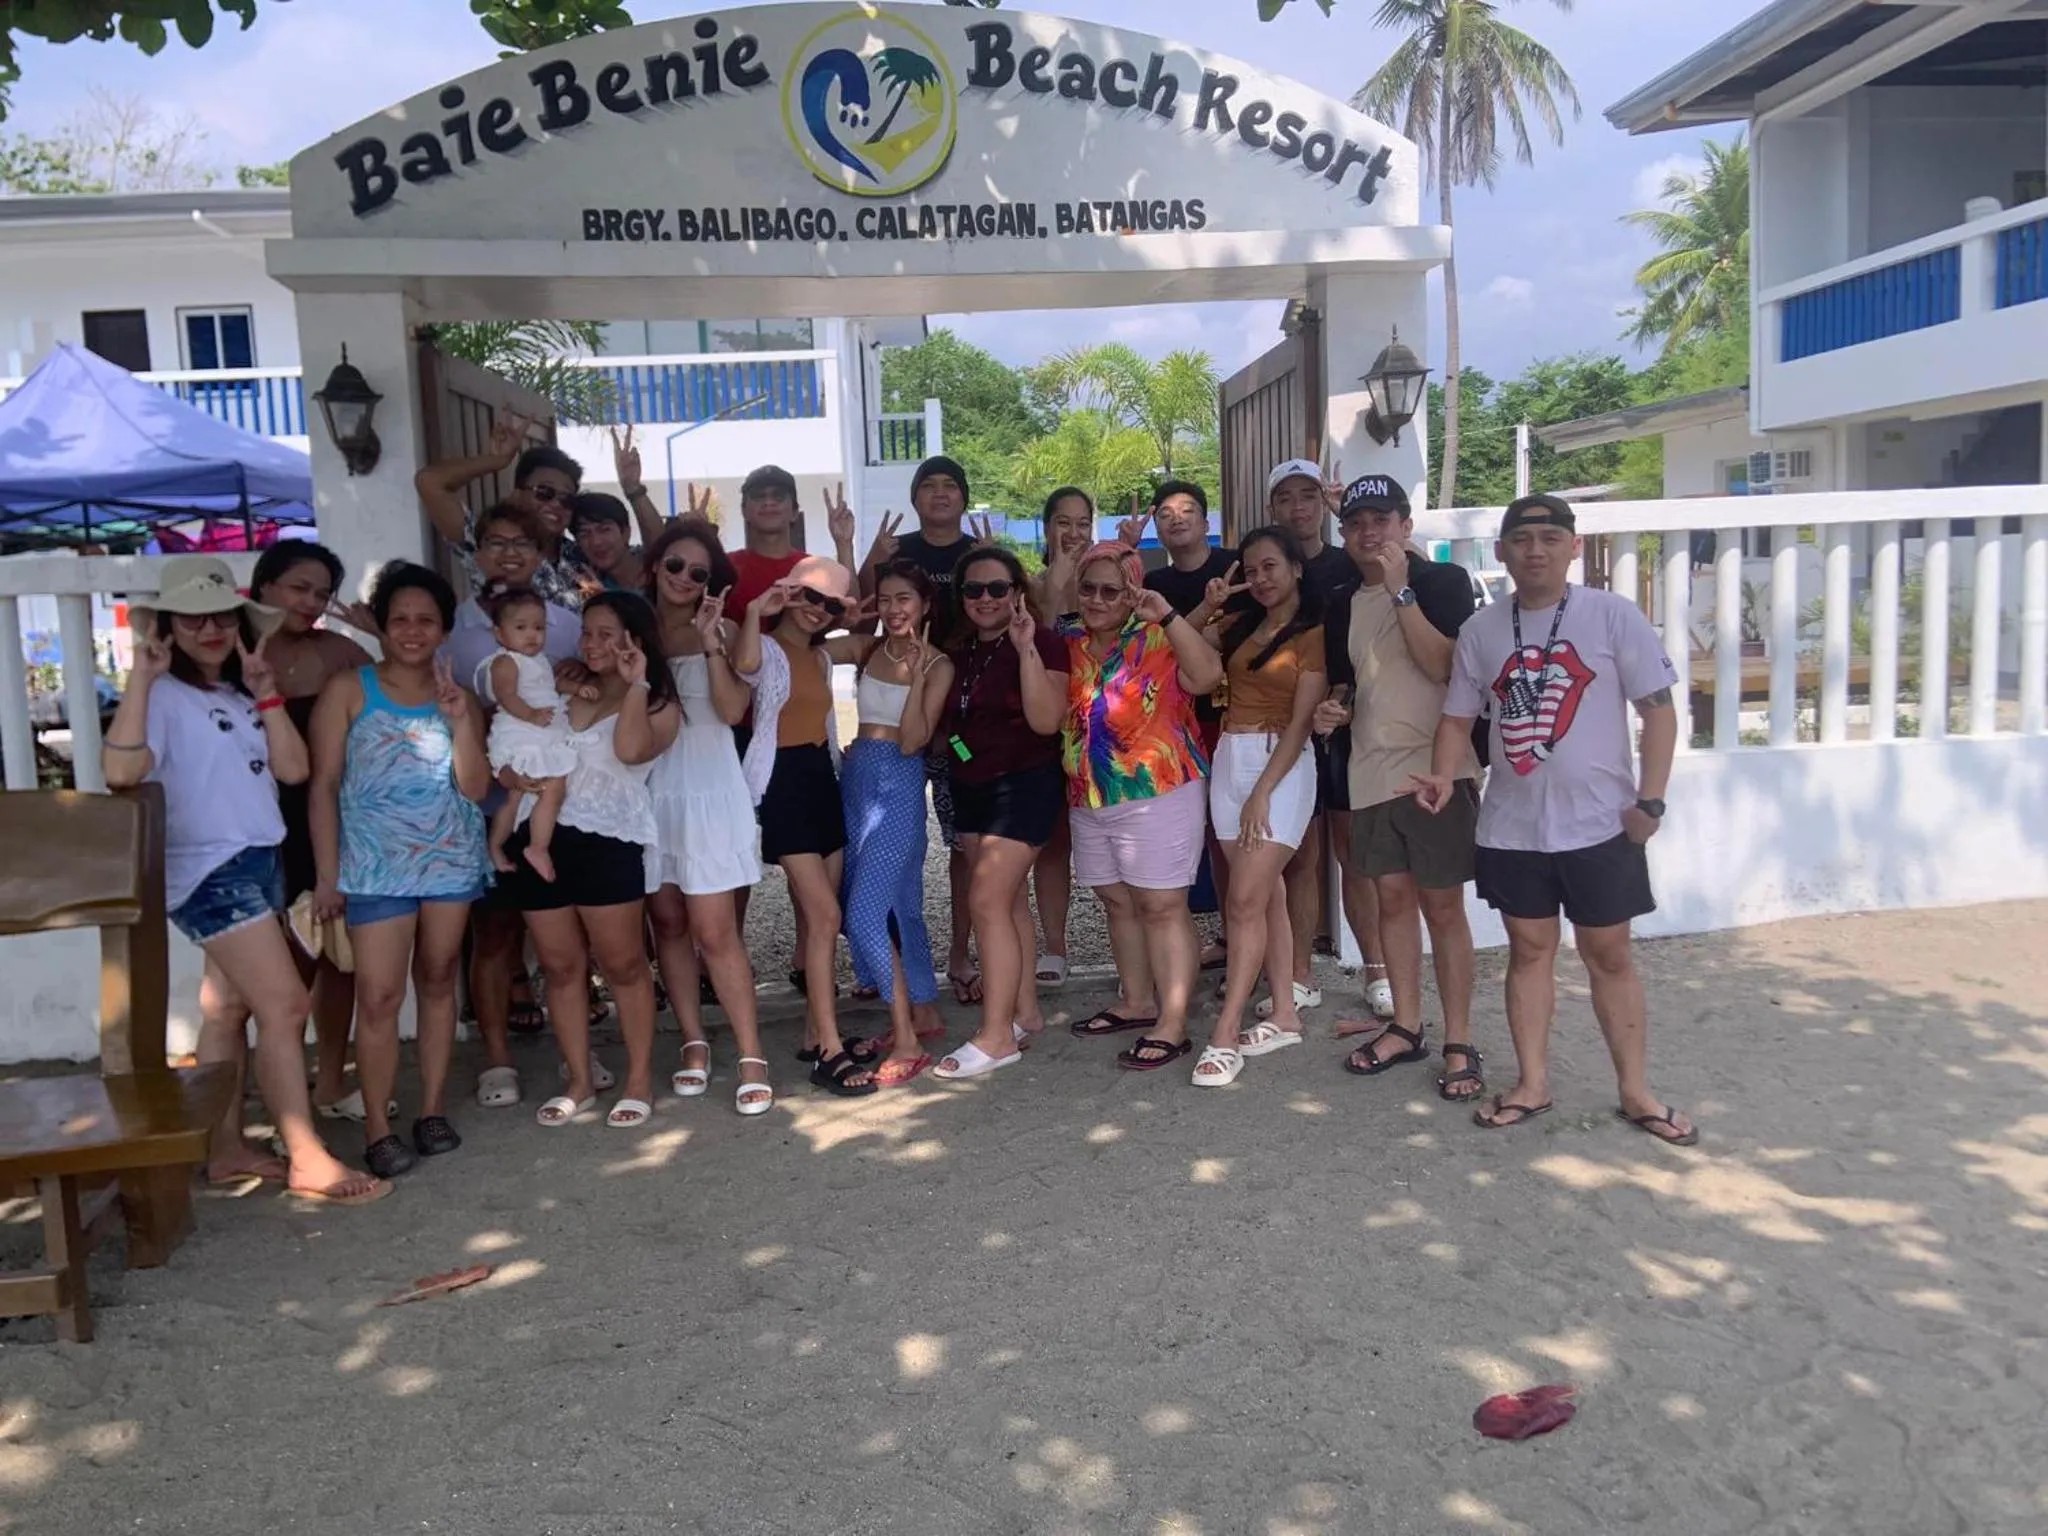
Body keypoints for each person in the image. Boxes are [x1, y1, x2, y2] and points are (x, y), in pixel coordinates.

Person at [100, 556, 387, 1205]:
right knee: (285, 1005)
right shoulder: (162, 696)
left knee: (227, 1010)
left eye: (220, 618)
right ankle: (307, 1155)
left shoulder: (235, 693)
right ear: (167, 627)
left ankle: (225, 1148)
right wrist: (141, 680)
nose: (209, 629)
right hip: (208, 870)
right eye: (193, 618)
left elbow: (292, 769)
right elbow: (120, 772)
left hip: (260, 861)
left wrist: (264, 693)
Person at [1411, 493, 1695, 1144]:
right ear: (1504, 550)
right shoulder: (1483, 630)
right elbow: (1458, 716)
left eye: (1549, 537)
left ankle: (1636, 1091)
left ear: (1572, 546)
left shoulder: (1612, 616)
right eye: (1521, 538)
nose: (1534, 549)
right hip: (1513, 828)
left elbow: (1659, 711)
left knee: (1609, 955)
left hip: (1601, 824)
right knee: (1529, 951)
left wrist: (1650, 801)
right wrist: (1442, 773)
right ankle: (1532, 1082)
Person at [308, 563, 492, 1179]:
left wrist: (460, 720)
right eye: (400, 620)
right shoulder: (348, 689)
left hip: (448, 861)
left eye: (426, 620)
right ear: (381, 627)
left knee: (439, 980)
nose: (412, 631)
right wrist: (328, 875)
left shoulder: (458, 698)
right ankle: (379, 1128)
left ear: (443, 629)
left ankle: (432, 1109)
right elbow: (324, 785)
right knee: (380, 996)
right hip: (373, 867)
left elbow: (474, 788)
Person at [1313, 474, 1485, 1096]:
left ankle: (1460, 1039)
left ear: (1406, 526)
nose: (1369, 532)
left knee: (1442, 905)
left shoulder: (1442, 582)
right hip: (1370, 770)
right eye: (1357, 523)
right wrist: (1333, 708)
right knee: (1390, 902)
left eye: (1382, 520)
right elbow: (1345, 680)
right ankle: (1408, 1027)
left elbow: (1443, 666)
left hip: (1437, 767)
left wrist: (1400, 592)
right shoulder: (1340, 601)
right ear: (1345, 532)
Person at [495, 593, 681, 1129]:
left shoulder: (658, 705)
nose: (592, 644)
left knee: (623, 966)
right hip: (539, 835)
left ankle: (639, 1079)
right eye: (587, 633)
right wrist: (508, 773)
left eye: (607, 634)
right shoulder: (558, 682)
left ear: (635, 641)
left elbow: (627, 751)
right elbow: (515, 736)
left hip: (610, 839)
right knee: (559, 966)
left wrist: (637, 680)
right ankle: (578, 1079)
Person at [438, 503, 585, 1106]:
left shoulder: (567, 621)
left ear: (543, 549)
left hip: (558, 792)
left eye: (522, 541)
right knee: (495, 934)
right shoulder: (454, 629)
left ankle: (574, 1058)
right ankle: (496, 1056)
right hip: (490, 792)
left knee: (564, 936)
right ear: (476, 551)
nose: (509, 552)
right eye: (494, 542)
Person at [1058, 542, 1222, 1072]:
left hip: (1159, 789)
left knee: (1162, 905)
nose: (1099, 599)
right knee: (1117, 901)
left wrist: (1169, 616)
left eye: (1113, 590)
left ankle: (1172, 1022)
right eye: (1090, 588)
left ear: (1132, 593)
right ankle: (1137, 1000)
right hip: (1091, 794)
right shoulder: (1070, 643)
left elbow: (1206, 679)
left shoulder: (1159, 637)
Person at [641, 517, 775, 1115]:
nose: (685, 578)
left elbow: (729, 709)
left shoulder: (718, 629)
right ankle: (693, 1041)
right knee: (666, 925)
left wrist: (711, 643)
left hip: (709, 789)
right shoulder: (632, 630)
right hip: (647, 791)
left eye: (699, 572)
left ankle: (750, 1053)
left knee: (716, 931)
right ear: (655, 566)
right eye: (675, 565)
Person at [732, 557, 877, 1097]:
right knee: (825, 913)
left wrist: (856, 608)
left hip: (820, 776)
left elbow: (868, 643)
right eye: (809, 597)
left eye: (829, 605)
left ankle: (818, 1031)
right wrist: (755, 610)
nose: (818, 611)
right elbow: (744, 664)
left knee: (820, 921)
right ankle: (830, 1050)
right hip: (782, 783)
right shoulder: (765, 647)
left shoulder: (819, 655)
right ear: (788, 592)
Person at [858, 454, 995, 1004]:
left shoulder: (976, 556)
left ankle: (961, 956)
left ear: (963, 497)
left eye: (950, 486)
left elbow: (1015, 609)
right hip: (899, 736)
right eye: (928, 486)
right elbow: (858, 620)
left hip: (961, 727)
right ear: (915, 498)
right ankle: (884, 959)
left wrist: (992, 560)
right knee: (886, 849)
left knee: (964, 845)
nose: (940, 494)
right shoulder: (899, 553)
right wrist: (866, 558)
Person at [931, 546, 1070, 1080]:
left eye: (996, 588)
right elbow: (956, 728)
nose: (985, 599)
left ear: (1017, 592)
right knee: (1007, 903)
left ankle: (995, 1038)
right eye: (973, 589)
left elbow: (1044, 721)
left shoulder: (1045, 643)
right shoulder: (961, 652)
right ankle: (1025, 1012)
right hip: (972, 789)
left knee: (985, 899)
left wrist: (1027, 649)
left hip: (1025, 787)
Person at [1198, 526, 1328, 1087]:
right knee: (1263, 895)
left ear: (1296, 568)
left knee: (1244, 900)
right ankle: (1284, 1014)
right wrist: (1207, 609)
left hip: (1279, 765)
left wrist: (1260, 793)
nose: (1260, 578)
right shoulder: (1242, 625)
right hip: (1230, 756)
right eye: (1252, 570)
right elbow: (1196, 663)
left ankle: (1224, 1033)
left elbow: (1302, 726)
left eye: (1271, 566)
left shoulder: (1315, 633)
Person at [246, 540, 371, 1120]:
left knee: (335, 953)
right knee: (281, 966)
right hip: (257, 820)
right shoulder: (233, 651)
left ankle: (329, 1083)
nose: (312, 601)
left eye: (321, 592)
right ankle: (283, 1097)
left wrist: (378, 633)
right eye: (300, 587)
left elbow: (392, 702)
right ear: (265, 584)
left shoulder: (340, 654)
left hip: (328, 815)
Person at [1266, 457, 1392, 1023]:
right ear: (1272, 507)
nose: (1299, 506)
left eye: (1309, 495)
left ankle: (1378, 971)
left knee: (1353, 855)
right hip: (1286, 728)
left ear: (1324, 504)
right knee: (1297, 854)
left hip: (1346, 727)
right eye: (1286, 497)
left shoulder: (1352, 562)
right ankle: (1298, 976)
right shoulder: (1264, 565)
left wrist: (1344, 706)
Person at [838, 561, 952, 1085]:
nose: (894, 609)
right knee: (901, 906)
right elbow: (807, 650)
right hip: (856, 775)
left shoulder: (938, 663)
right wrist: (846, 613)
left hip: (899, 782)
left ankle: (905, 1038)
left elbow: (913, 741)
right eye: (885, 599)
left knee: (864, 913)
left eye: (904, 598)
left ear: (925, 604)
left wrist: (918, 676)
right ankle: (923, 1009)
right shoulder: (866, 647)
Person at [1141, 480, 1237, 960]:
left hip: (1236, 720)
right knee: (1191, 837)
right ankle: (1224, 935)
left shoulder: (1235, 566)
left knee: (1233, 837)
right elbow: (1159, 649)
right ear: (1156, 527)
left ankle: (1246, 939)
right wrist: (1205, 622)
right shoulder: (1152, 587)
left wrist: (1196, 633)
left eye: (1188, 510)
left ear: (1205, 521)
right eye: (1166, 513)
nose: (1176, 519)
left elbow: (1232, 639)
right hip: (1176, 726)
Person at [1028, 485, 1097, 989]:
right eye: (1063, 522)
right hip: (1050, 730)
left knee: (1119, 843)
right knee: (1052, 843)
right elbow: (1043, 646)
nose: (1073, 532)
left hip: (1103, 732)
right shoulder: (1028, 587)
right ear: (1046, 527)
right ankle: (1055, 945)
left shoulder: (1106, 586)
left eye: (1082, 522)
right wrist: (1052, 591)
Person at [415, 415, 589, 607]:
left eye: (567, 499)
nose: (556, 504)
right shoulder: (488, 545)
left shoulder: (585, 555)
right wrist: (495, 461)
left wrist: (630, 494)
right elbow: (430, 482)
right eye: (545, 492)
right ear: (517, 495)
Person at [477, 589, 578, 882]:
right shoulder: (505, 661)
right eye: (521, 628)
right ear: (499, 633)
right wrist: (532, 716)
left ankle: (500, 847)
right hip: (522, 733)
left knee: (521, 795)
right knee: (548, 788)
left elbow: (549, 686)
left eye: (539, 627)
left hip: (539, 733)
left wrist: (574, 689)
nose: (532, 635)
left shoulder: (540, 660)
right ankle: (535, 846)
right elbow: (506, 695)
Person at [567, 491, 644, 595]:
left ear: (626, 533)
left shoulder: (660, 570)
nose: (596, 542)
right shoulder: (588, 588)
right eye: (584, 534)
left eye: (604, 530)